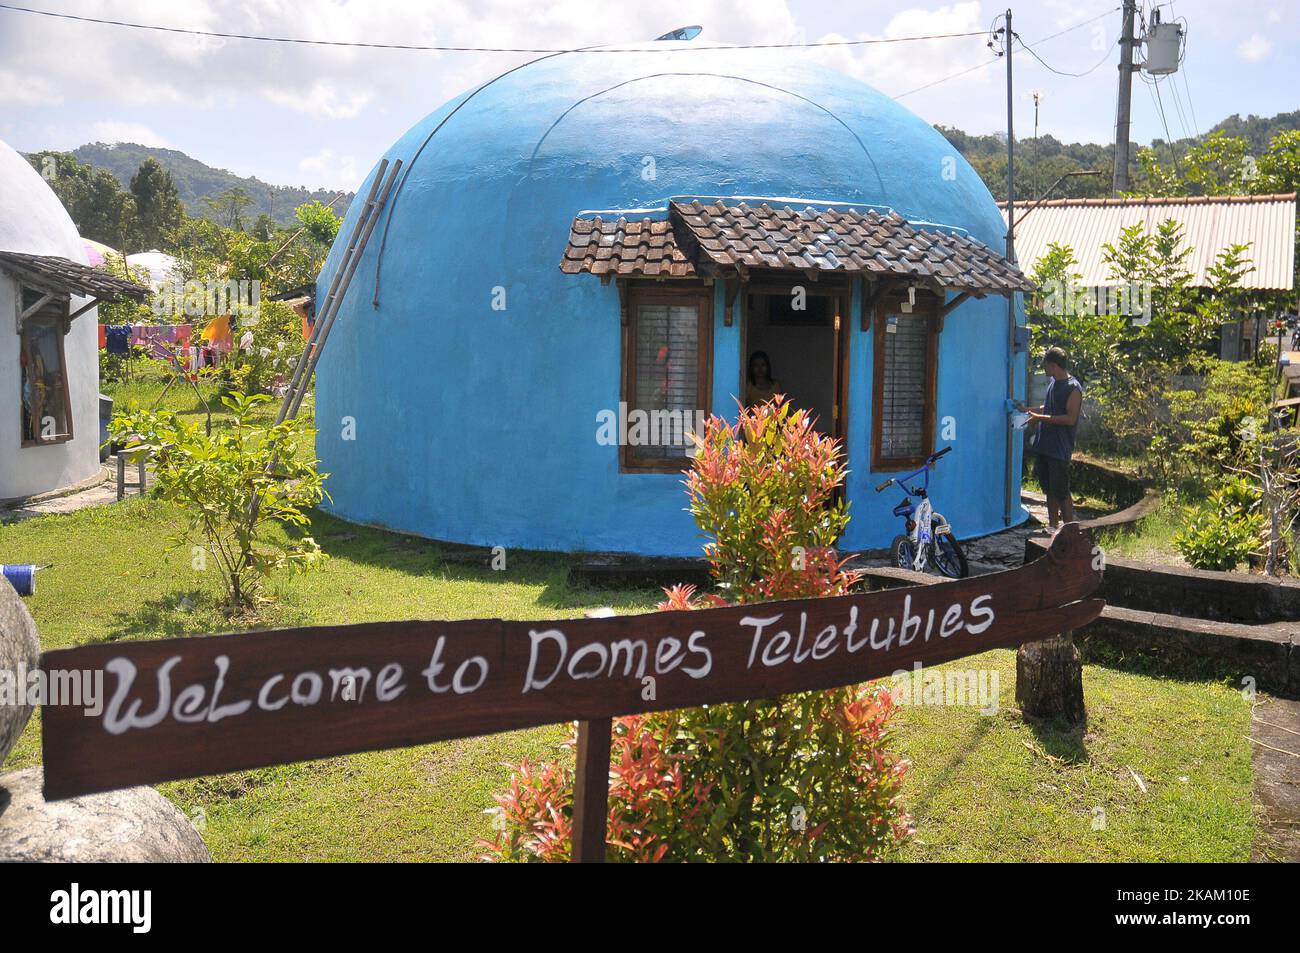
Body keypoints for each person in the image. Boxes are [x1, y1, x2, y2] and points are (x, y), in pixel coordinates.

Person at [1020, 346, 1083, 532]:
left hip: (1059, 448)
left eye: (1045, 365)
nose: (1044, 369)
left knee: (1061, 491)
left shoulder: (1073, 388)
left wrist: (1039, 418)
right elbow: (1048, 407)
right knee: (1049, 489)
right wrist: (1027, 410)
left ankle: (1070, 530)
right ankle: (1053, 526)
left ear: (1054, 365)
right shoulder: (1053, 383)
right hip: (1045, 445)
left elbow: (1070, 418)